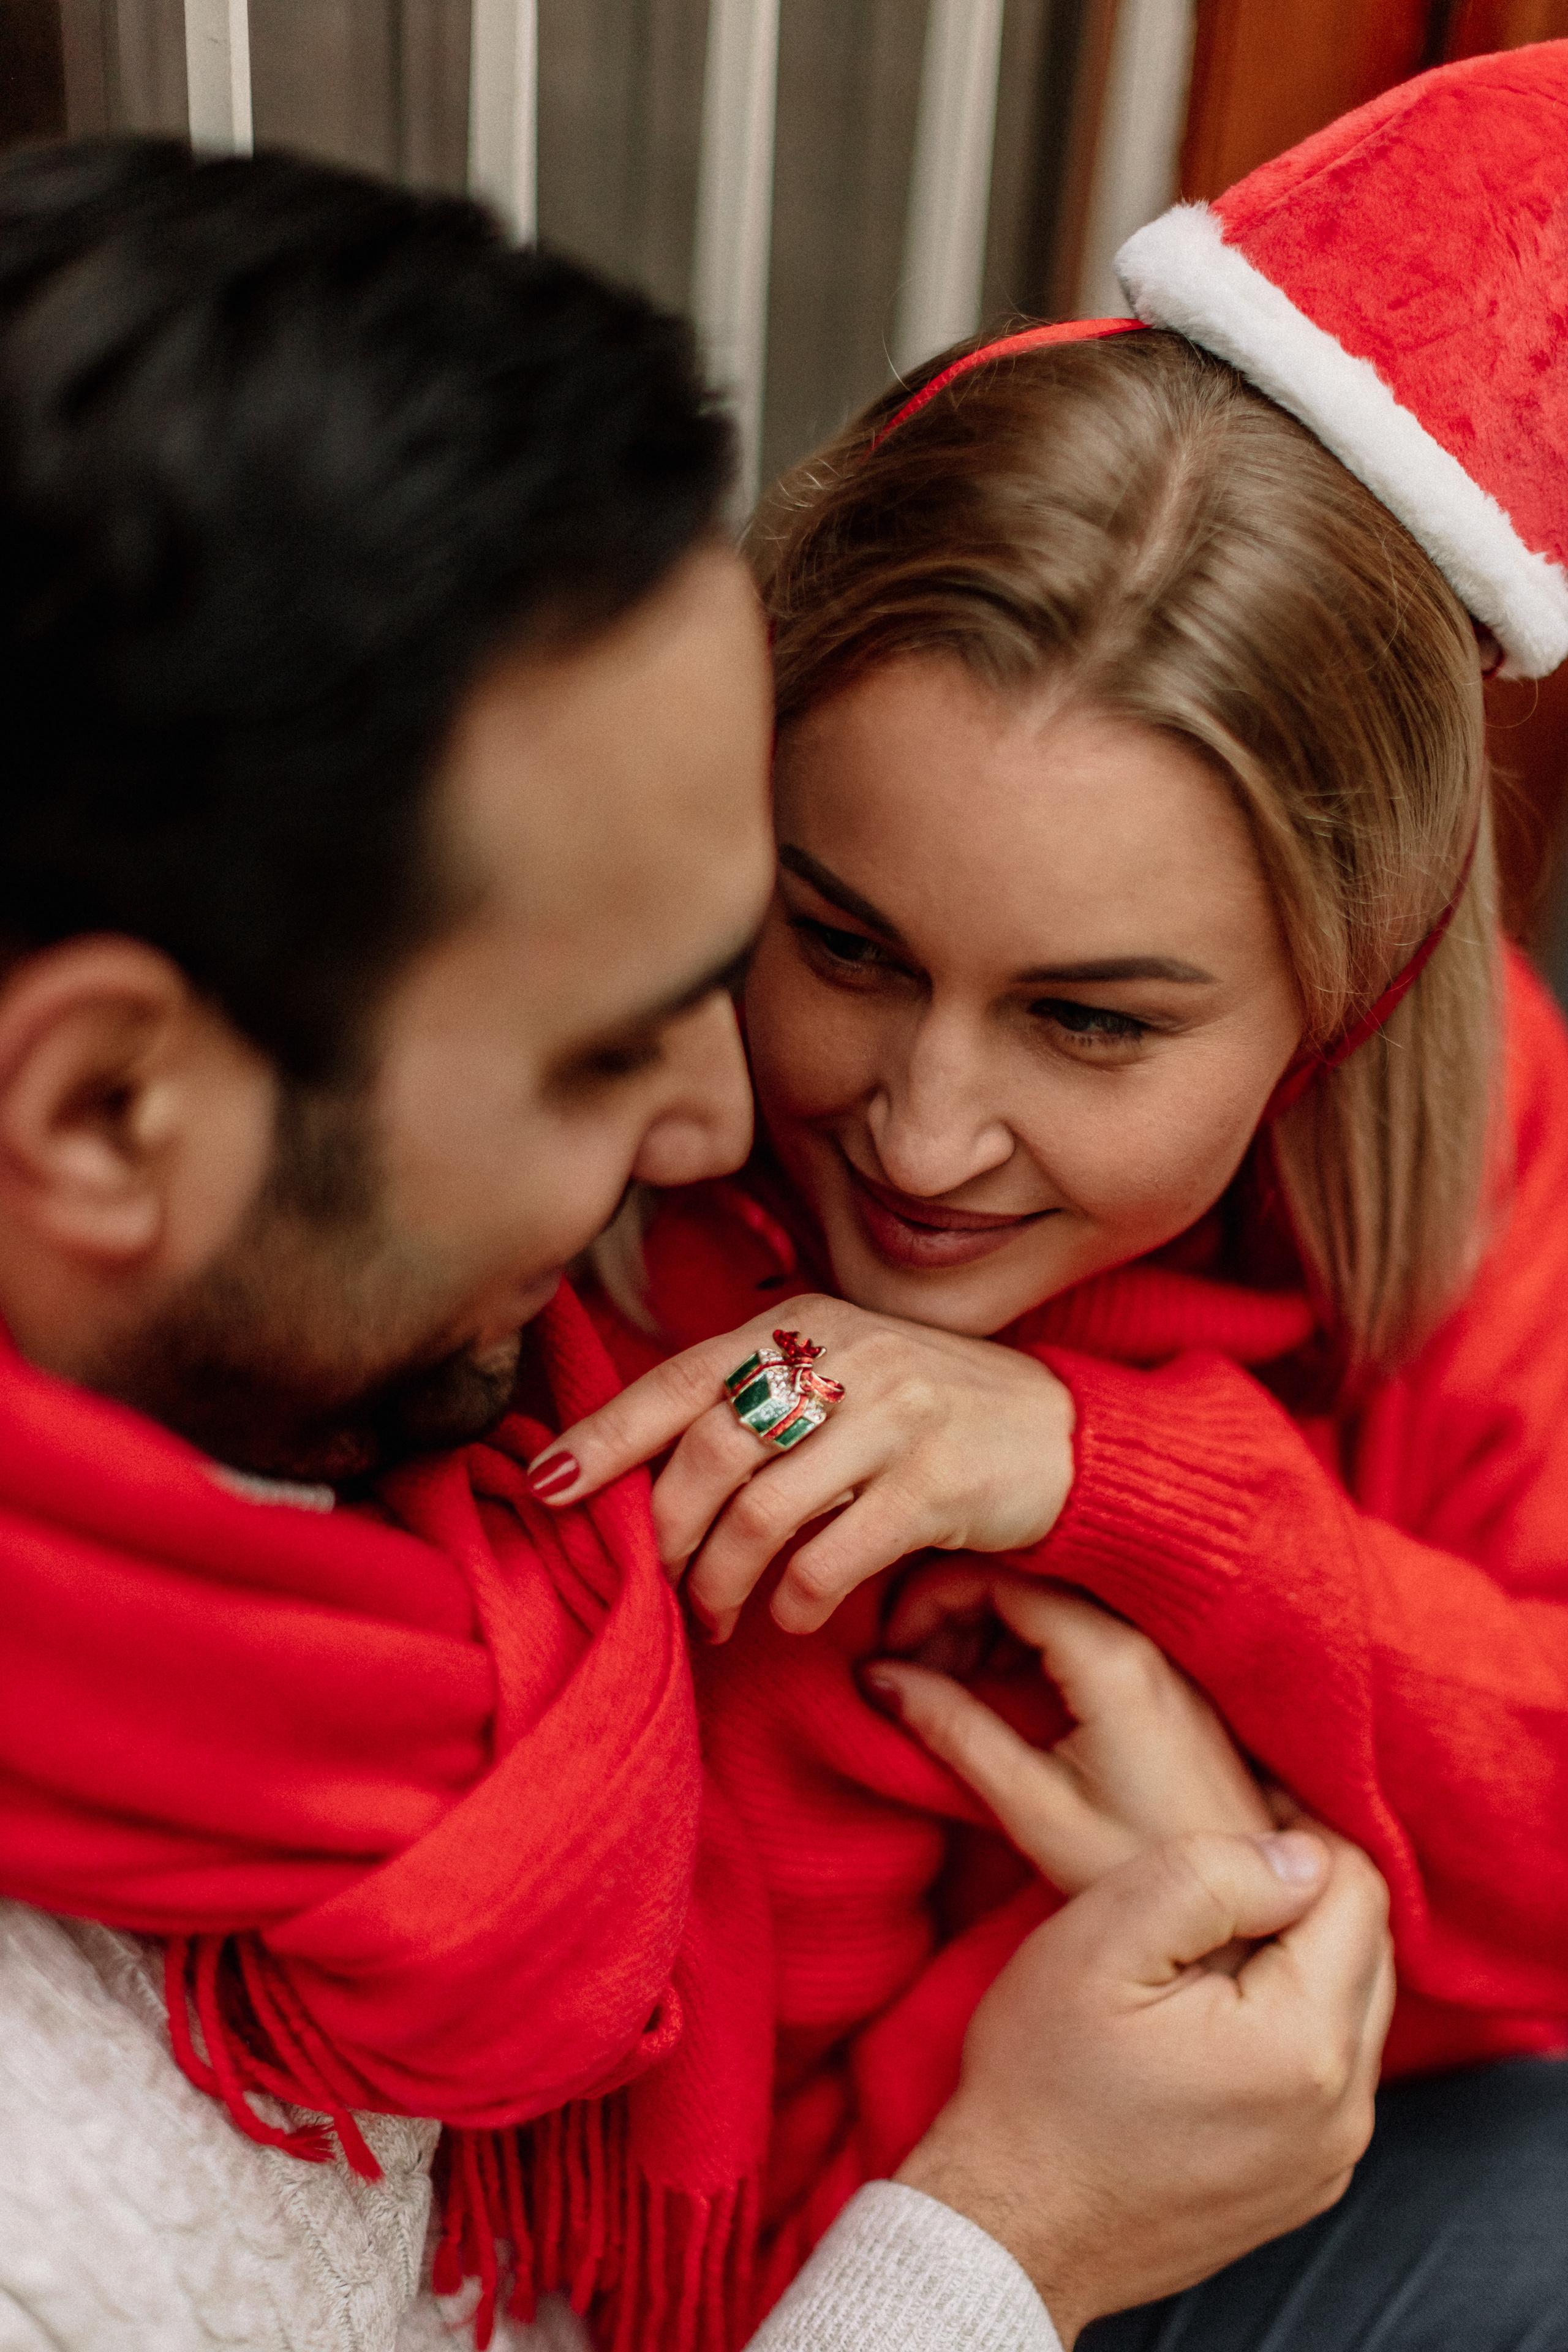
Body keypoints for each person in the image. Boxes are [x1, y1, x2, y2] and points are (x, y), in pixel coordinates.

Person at [0, 135, 1392, 2352]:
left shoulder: (346, 1417)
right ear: (99, 1110)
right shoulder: (48, 2221)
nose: (734, 1125)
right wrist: (1005, 2233)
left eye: (726, 962)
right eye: (594, 1054)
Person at [537, 42, 1568, 2349]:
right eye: (845, 945)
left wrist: (1134, 1490)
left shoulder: (1488, 1126)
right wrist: (1254, 1878)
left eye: (1094, 1024)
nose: (917, 1130)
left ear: (1350, 995)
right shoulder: (588, 1103)